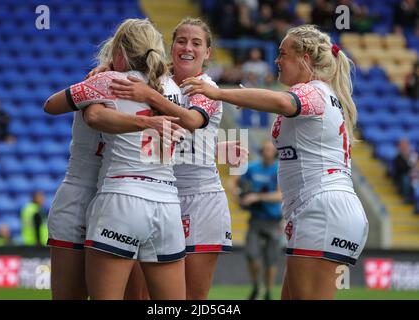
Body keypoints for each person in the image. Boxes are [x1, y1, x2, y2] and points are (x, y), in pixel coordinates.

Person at [182, 24, 369, 300]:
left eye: (283, 54)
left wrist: (218, 92)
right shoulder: (322, 94)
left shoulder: (313, 91)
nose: (276, 60)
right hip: (321, 209)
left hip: (323, 210)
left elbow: (282, 102)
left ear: (305, 59)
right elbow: (279, 103)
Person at [44, 18, 187, 300]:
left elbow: (55, 106)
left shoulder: (105, 81)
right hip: (158, 197)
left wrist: (97, 80)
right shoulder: (171, 88)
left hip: (113, 194)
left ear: (119, 52)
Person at [107, 17, 241, 300]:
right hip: (154, 195)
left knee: (189, 299)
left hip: (201, 200)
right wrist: (103, 69)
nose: (187, 48)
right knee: (138, 295)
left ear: (208, 53)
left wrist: (149, 96)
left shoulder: (206, 87)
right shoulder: (156, 81)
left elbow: (192, 120)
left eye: (196, 43)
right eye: (181, 41)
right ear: (171, 47)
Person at [235, 140, 282, 300]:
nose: (267, 152)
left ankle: (268, 291)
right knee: (252, 255)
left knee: (271, 261)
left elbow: (279, 195)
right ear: (262, 150)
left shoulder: (279, 169)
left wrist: (256, 196)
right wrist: (238, 195)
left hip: (273, 220)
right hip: (255, 219)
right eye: (265, 149)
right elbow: (236, 183)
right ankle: (256, 286)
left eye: (270, 149)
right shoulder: (252, 167)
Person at [392, 138, 417, 202]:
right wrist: (412, 166)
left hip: (413, 174)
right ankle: (406, 197)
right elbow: (402, 169)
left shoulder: (412, 154)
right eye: (403, 145)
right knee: (406, 179)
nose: (404, 147)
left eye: (406, 145)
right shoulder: (398, 156)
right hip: (402, 176)